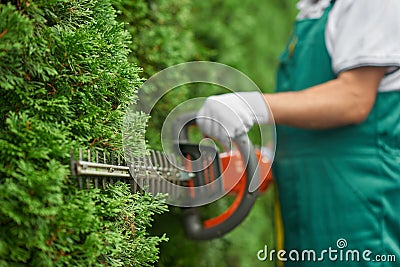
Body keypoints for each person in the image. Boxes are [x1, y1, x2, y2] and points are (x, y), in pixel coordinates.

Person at [197, 0, 400, 266]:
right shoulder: (316, 12)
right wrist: (265, 162)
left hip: (359, 206)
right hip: (305, 208)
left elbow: (354, 97)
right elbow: (308, 116)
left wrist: (251, 105)